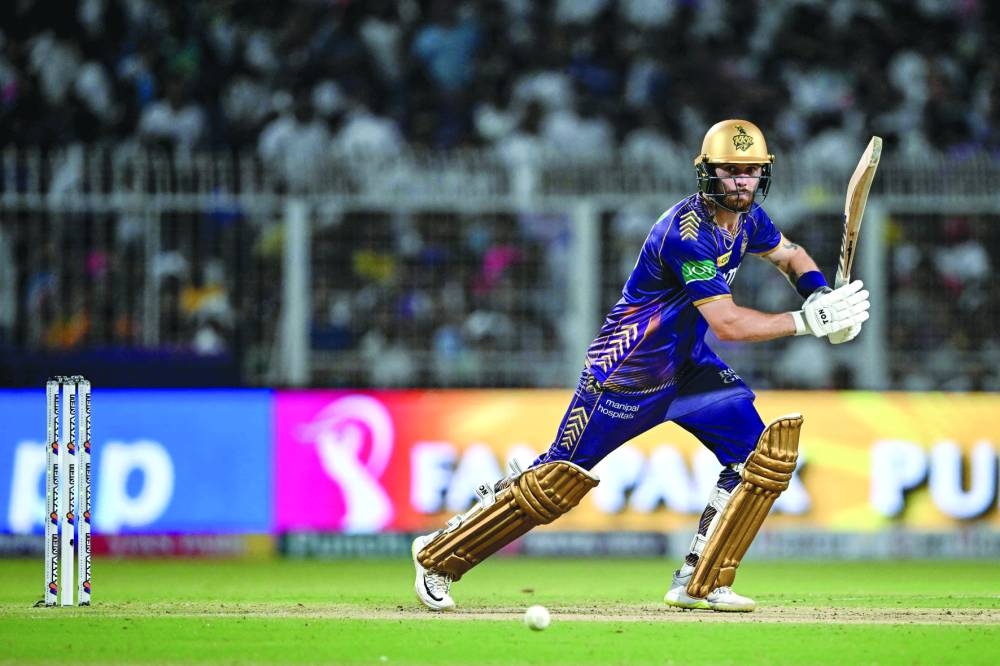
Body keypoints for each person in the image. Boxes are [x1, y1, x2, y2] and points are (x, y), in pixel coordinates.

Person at [411, 119, 870, 612]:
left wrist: (819, 293)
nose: (742, 182)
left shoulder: (750, 219)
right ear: (708, 173)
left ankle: (700, 580)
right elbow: (729, 323)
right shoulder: (686, 234)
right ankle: (438, 554)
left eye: (751, 171)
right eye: (730, 171)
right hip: (625, 375)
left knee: (760, 458)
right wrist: (808, 321)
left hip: (687, 369)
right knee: (555, 483)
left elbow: (791, 255)